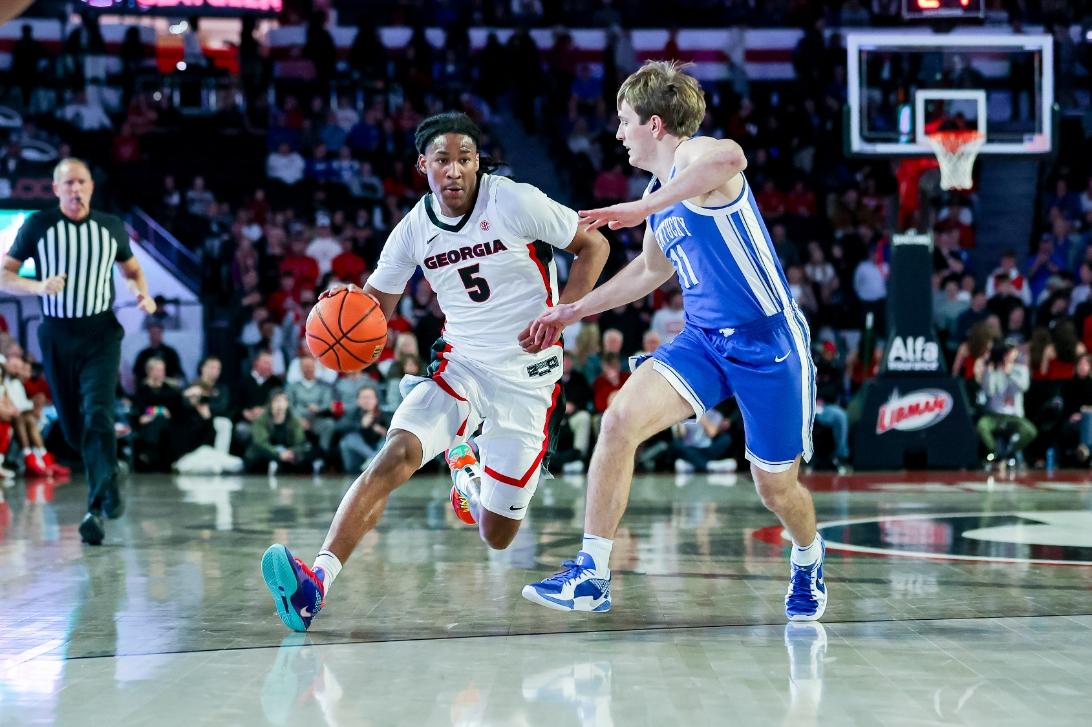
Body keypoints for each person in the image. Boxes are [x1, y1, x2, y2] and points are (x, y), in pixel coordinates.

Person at [261, 111, 608, 632]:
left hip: (530, 378)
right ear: (423, 164)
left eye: (464, 158)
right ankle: (317, 583)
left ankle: (465, 469)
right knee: (396, 454)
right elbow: (372, 309)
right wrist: (344, 304)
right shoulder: (413, 230)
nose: (454, 170)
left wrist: (564, 314)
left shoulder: (514, 200)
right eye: (442, 160)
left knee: (497, 534)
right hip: (460, 365)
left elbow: (594, 245)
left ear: (476, 163)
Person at [521, 62, 825, 621]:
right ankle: (592, 572)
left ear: (655, 124)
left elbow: (732, 158)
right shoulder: (660, 193)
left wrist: (642, 209)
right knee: (617, 423)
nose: (617, 133)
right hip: (704, 341)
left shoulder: (696, 159)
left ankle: (808, 553)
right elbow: (646, 274)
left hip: (768, 341)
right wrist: (572, 311)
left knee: (775, 488)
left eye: (624, 121)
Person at [0, 158, 155, 545]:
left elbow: (133, 270)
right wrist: (37, 288)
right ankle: (111, 474)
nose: (75, 189)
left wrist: (142, 292)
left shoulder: (111, 227)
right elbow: (5, 272)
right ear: (55, 189)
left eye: (81, 182)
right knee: (73, 430)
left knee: (99, 414)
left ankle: (95, 507)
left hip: (101, 333)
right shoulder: (38, 226)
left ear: (90, 186)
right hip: (57, 335)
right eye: (67, 183)